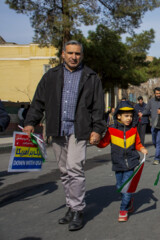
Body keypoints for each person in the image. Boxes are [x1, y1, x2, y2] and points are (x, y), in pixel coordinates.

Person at [23, 40, 106, 231]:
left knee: (75, 168)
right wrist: (30, 122)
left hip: (79, 130)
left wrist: (97, 129)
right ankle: (70, 206)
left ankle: (77, 210)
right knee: (64, 171)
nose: (73, 57)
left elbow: (98, 107)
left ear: (82, 56)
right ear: (63, 54)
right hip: (57, 129)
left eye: (77, 54)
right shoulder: (51, 76)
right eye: (70, 53)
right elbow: (38, 102)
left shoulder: (91, 77)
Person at [97, 101, 148, 222]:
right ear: (118, 116)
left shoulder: (134, 130)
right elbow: (103, 143)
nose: (129, 118)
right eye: (126, 116)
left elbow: (138, 144)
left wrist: (142, 149)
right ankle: (128, 200)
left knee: (127, 187)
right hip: (118, 163)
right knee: (120, 186)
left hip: (131, 163)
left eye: (131, 116)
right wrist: (96, 142)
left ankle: (123, 209)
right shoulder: (111, 130)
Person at [139, 87, 160, 165]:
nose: (158, 95)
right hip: (153, 125)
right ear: (154, 94)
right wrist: (142, 113)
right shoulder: (151, 101)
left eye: (159, 93)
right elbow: (146, 109)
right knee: (154, 142)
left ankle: (157, 158)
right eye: (157, 93)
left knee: (158, 142)